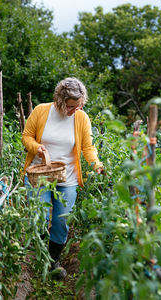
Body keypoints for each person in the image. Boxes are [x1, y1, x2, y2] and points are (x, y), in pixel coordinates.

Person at [22, 77, 103, 278]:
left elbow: (87, 147)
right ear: (59, 101)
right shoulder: (42, 111)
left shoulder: (81, 118)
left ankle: (53, 260)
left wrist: (97, 165)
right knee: (40, 216)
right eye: (71, 106)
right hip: (38, 173)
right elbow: (26, 136)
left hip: (67, 177)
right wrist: (36, 147)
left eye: (79, 105)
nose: (75, 110)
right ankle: (38, 258)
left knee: (61, 220)